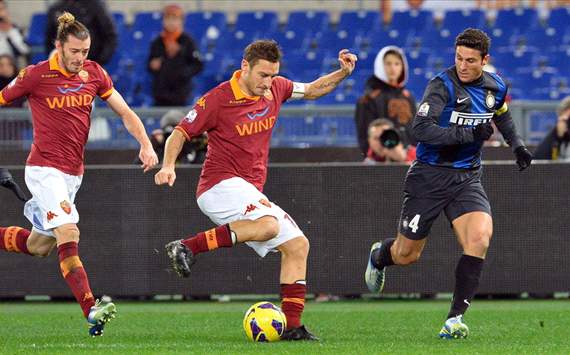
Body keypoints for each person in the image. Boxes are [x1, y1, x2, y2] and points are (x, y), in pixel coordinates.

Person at [155, 40, 357, 341]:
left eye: (273, 75)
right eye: (263, 75)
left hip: (248, 189)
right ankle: (187, 246)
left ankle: (292, 327)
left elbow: (313, 89)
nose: (269, 82)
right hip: (218, 185)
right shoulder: (218, 99)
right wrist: (168, 165)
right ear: (245, 67)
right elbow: (181, 132)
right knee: (267, 225)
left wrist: (343, 73)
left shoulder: (276, 88)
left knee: (298, 245)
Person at [364, 28, 532, 339]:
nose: (463, 66)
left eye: (470, 60)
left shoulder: (495, 86)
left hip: (467, 177)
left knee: (480, 238)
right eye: (458, 58)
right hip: (428, 176)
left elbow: (503, 115)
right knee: (407, 255)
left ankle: (454, 319)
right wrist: (470, 134)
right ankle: (380, 255)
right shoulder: (441, 86)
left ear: (485, 60)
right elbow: (421, 130)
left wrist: (517, 144)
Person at [0, 13, 158, 336]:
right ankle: (91, 308)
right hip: (44, 170)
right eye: (74, 51)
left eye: (85, 52)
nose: (80, 58)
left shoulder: (94, 74)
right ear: (59, 46)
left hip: (73, 175)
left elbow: (125, 112)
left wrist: (145, 143)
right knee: (69, 232)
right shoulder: (35, 75)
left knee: (39, 245)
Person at [354, 45, 416, 157]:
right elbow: (364, 135)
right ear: (380, 66)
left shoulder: (408, 97)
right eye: (388, 63)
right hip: (380, 161)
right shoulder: (368, 99)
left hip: (408, 160)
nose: (393, 68)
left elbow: (415, 132)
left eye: (397, 64)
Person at [148, 4, 203, 106]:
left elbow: (198, 65)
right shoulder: (157, 42)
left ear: (181, 21)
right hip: (160, 93)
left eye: (175, 19)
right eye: (168, 18)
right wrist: (153, 66)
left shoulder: (187, 41)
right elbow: (149, 64)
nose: (171, 22)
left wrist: (183, 72)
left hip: (181, 93)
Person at [45, 0, 117, 66]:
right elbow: (50, 39)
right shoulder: (55, 9)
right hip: (63, 65)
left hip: (92, 61)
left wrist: (98, 63)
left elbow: (110, 36)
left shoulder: (96, 6)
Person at [134, 109, 207, 165]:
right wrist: (151, 146)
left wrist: (203, 141)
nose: (173, 138)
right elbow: (136, 171)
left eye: (177, 133)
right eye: (169, 134)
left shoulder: (193, 143)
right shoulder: (160, 146)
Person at [0, 0, 29, 67]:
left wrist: (9, 31)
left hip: (14, 69)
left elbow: (24, 51)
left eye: (1, 9)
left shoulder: (14, 29)